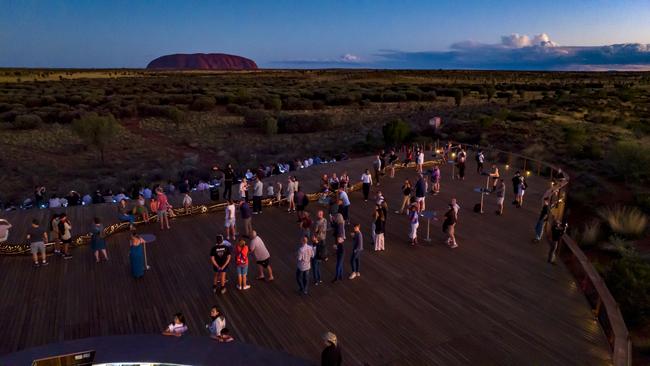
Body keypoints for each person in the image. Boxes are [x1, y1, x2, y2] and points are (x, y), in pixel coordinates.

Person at [332, 214, 346, 283]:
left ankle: (337, 277)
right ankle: (340, 276)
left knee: (338, 264)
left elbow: (339, 237)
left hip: (340, 248)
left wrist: (336, 245)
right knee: (340, 263)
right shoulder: (341, 224)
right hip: (340, 248)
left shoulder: (340, 226)